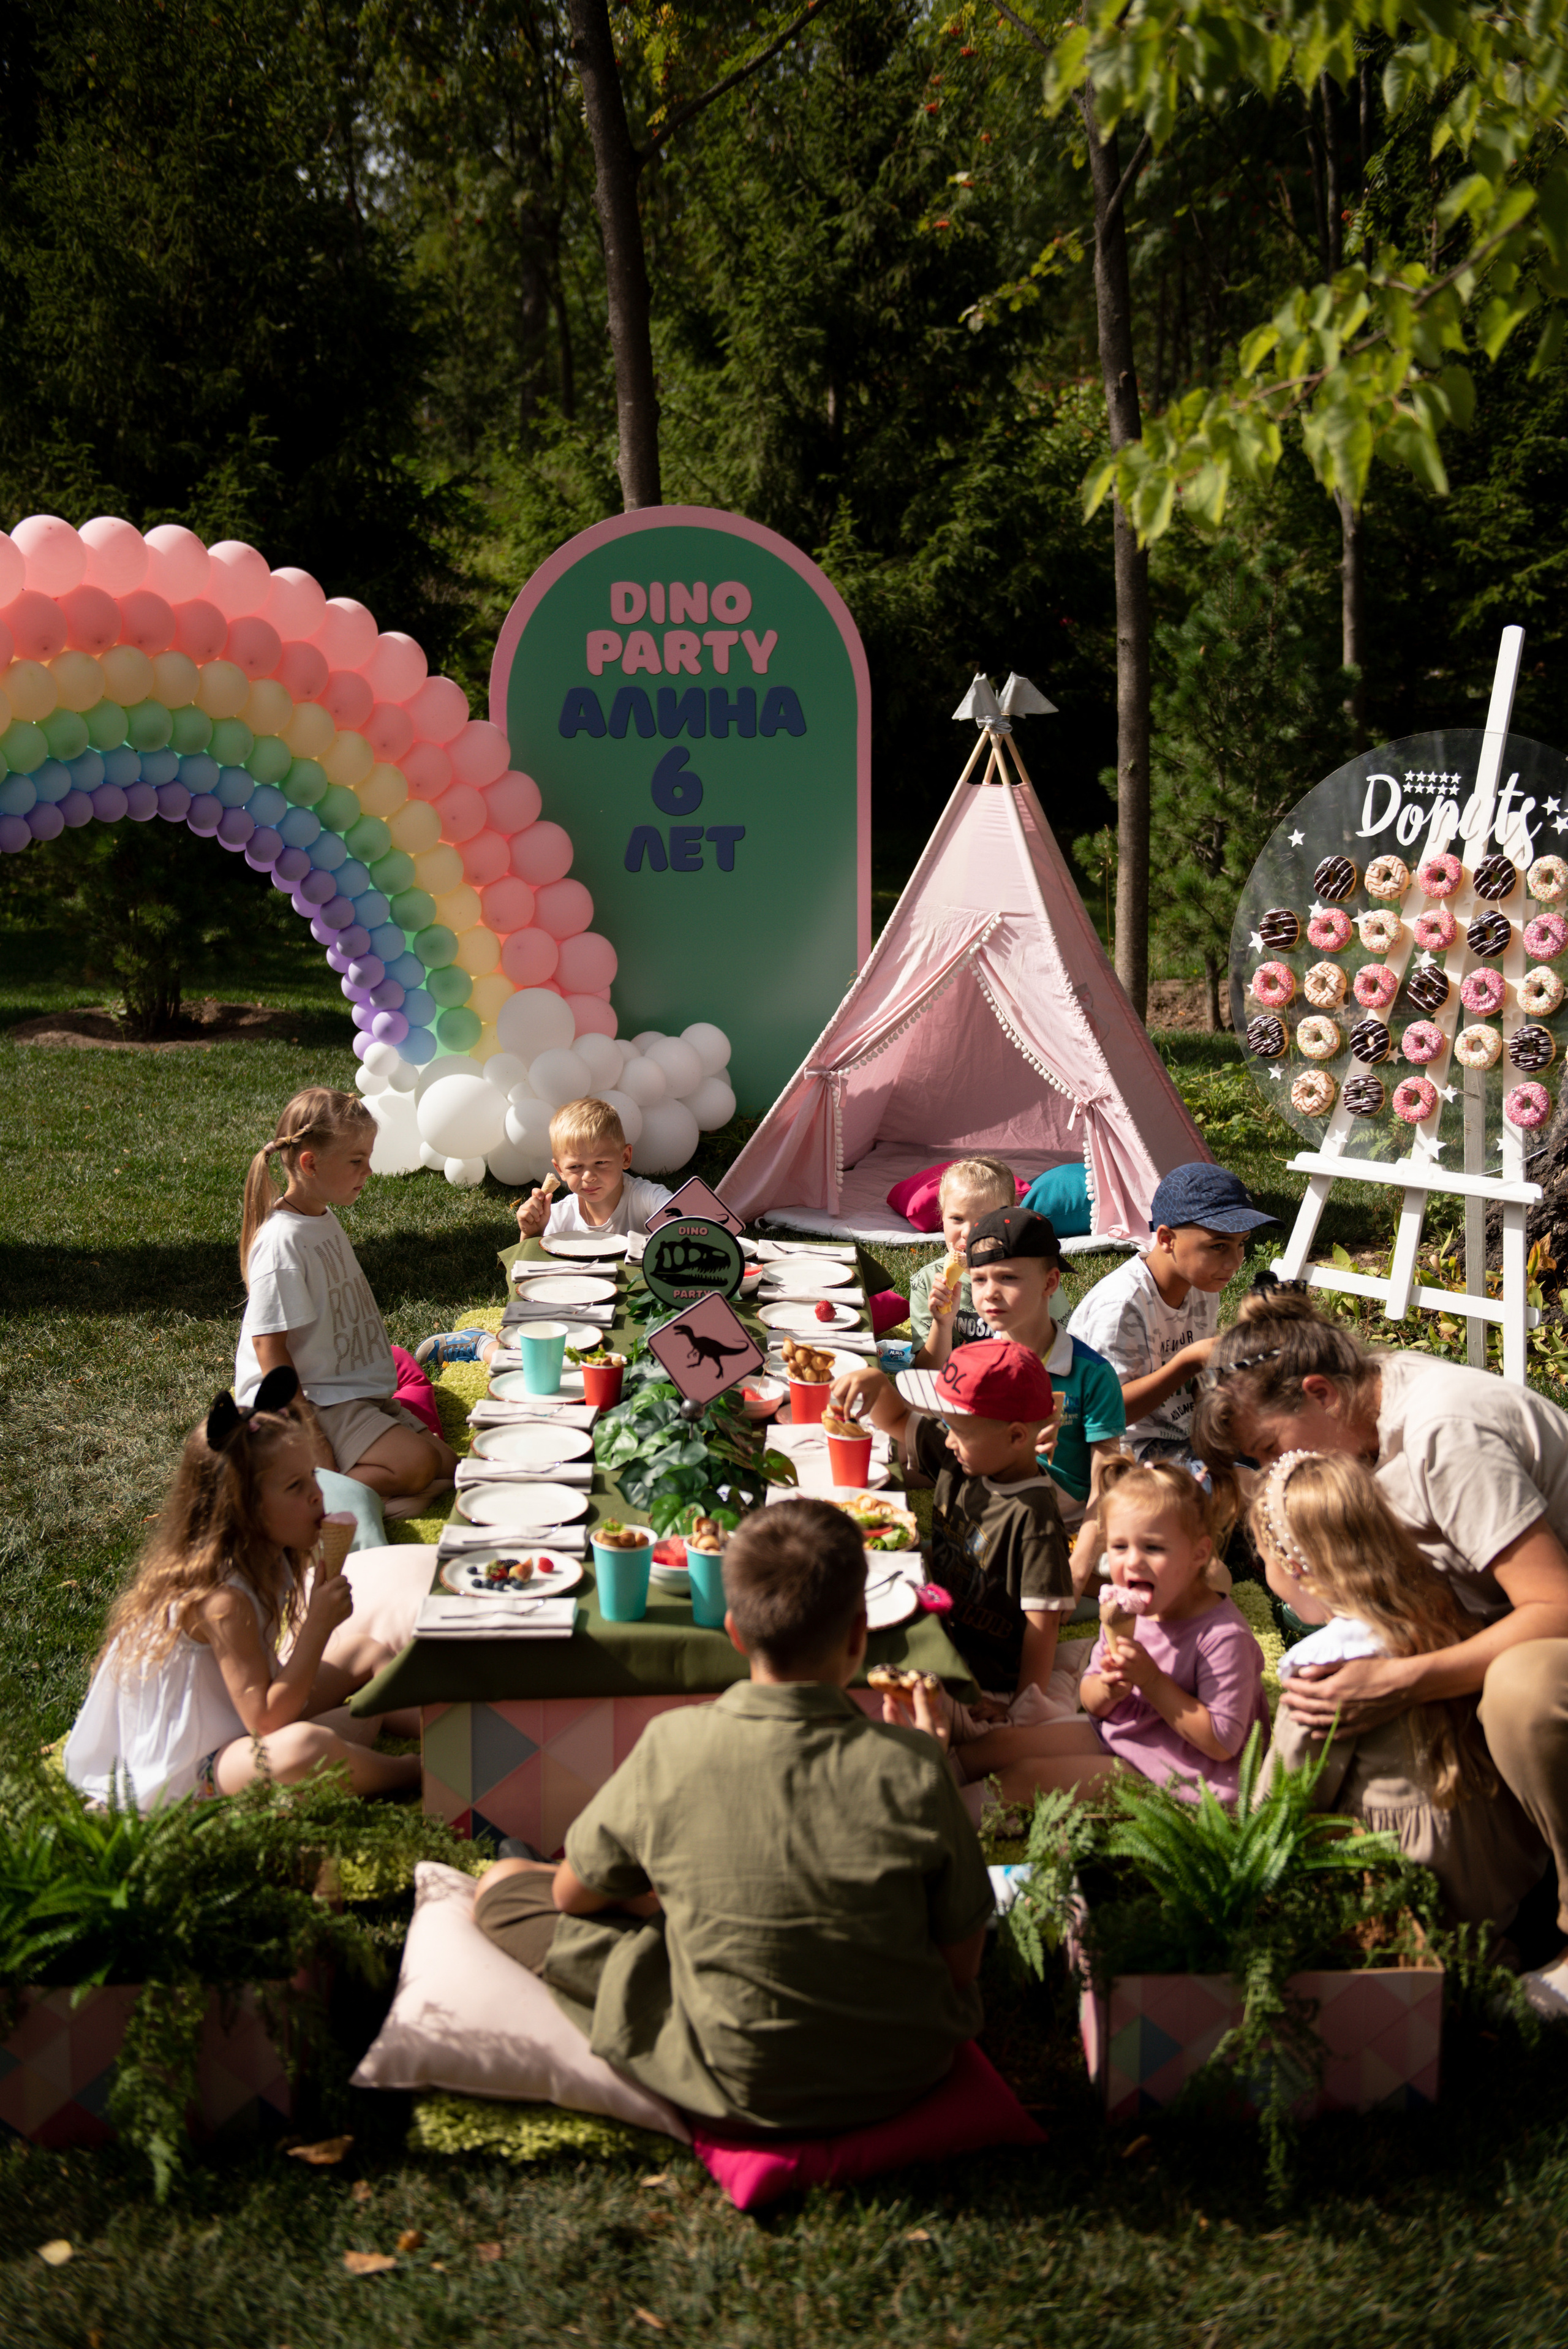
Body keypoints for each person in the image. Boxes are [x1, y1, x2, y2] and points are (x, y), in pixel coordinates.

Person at [469, 1498, 993, 2133]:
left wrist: (659, 1901)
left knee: (504, 1889)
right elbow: (962, 1965)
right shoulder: (915, 1763)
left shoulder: (673, 1742)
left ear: (734, 1632)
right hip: (902, 2068)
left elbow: (570, 1895)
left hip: (723, 2069)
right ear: (859, 1634)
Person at [1193, 1285, 1568, 2018]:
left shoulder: (1444, 1433)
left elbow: (1554, 1606)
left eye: (1272, 1448)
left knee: (1522, 1693)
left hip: (1551, 1621)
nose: (1277, 1471)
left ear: (1320, 1393)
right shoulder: (1365, 1416)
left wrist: (1406, 1681)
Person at [63, 1371, 420, 1808]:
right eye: (296, 1487)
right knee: (305, 1749)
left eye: (312, 1476)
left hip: (238, 1720)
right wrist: (317, 1627)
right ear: (244, 1507)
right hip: (193, 1768)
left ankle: (447, 1729)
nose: (317, 1495)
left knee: (366, 1651)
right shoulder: (221, 1600)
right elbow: (267, 1722)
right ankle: (411, 1771)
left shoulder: (269, 1558)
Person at [1251, 1450, 1546, 1932]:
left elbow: (1281, 1803)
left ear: (1293, 1564)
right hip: (1490, 1858)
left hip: (1404, 1872)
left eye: (1264, 1559)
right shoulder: (1441, 1615)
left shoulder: (1326, 1669)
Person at [943, 1456, 1266, 1807]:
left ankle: (940, 1828)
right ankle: (925, 1785)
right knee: (997, 1746)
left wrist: (1153, 1682)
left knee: (1026, 1777)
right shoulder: (1127, 1611)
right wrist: (1109, 1688)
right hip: (1126, 1731)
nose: (1132, 1562)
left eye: (1153, 1547)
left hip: (1178, 1773)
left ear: (1199, 1553)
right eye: (1119, 1547)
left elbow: (1223, 1742)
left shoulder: (1223, 1637)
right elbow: (1092, 1702)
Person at [835, 1208, 1124, 1550]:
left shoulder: (1092, 1375)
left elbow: (1106, 1485)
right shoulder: (974, 1361)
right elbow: (930, 1436)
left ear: (1050, 1282)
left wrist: (1080, 1564)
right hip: (978, 1523)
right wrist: (878, 1382)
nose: (990, 1293)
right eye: (979, 1279)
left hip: (1053, 1536)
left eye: (1008, 1278)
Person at [236, 1088, 456, 1516]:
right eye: (357, 1161)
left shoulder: (321, 1216)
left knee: (448, 1466)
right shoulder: (282, 1243)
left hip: (349, 1392)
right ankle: (317, 1500)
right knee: (419, 1467)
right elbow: (269, 1348)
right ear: (310, 1163)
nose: (368, 1171)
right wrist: (311, 1436)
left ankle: (396, 1493)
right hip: (315, 1402)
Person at [837, 1339, 1074, 1698]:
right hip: (940, 1631)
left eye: (958, 1431)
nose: (948, 1441)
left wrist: (1023, 1710)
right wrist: (876, 1382)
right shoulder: (969, 1457)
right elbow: (898, 1418)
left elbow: (1045, 1624)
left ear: (1015, 1436)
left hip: (985, 1683)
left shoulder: (1034, 1518)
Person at [420, 1096, 676, 1367]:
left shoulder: (646, 1198)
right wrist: (531, 1235)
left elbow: (685, 1219)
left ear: (625, 1157)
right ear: (559, 1170)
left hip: (633, 1310)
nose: (589, 1176)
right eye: (576, 1167)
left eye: (601, 1163)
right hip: (578, 1314)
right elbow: (530, 1279)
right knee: (546, 1365)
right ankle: (483, 1345)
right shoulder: (561, 1214)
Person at [1067, 1162, 1275, 1466]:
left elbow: (1200, 1388)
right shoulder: (1121, 1306)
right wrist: (1187, 1363)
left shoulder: (1202, 1284)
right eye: (1218, 1246)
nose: (1234, 1261)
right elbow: (1105, 1414)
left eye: (1241, 1244)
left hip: (1187, 1432)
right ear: (1166, 1240)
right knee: (1232, 1486)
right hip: (1121, 1449)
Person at [908, 1156, 1017, 1363]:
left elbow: (1057, 1354)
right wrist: (942, 1323)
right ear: (942, 1216)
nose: (968, 1232)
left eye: (984, 1221)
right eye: (957, 1219)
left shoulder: (1027, 1276)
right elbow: (926, 1372)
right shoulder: (929, 1281)